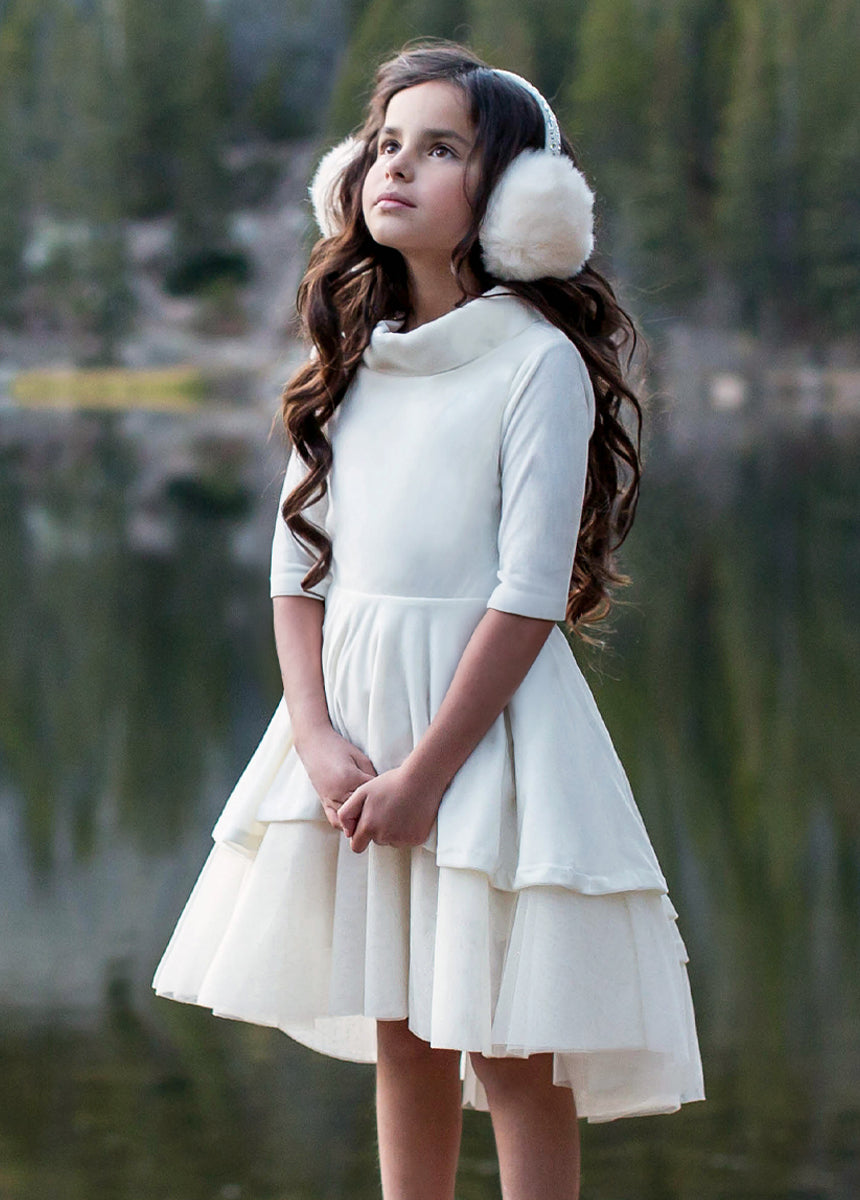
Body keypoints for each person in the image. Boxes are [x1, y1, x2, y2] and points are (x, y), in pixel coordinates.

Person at [152, 40, 705, 1200]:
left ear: (513, 199)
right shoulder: (351, 359)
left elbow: (525, 593)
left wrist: (426, 775)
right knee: (402, 1028)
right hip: (356, 727)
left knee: (507, 1044)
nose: (396, 166)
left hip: (484, 738)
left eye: (439, 148)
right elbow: (294, 573)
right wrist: (315, 737)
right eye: (385, 144)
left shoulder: (534, 362)